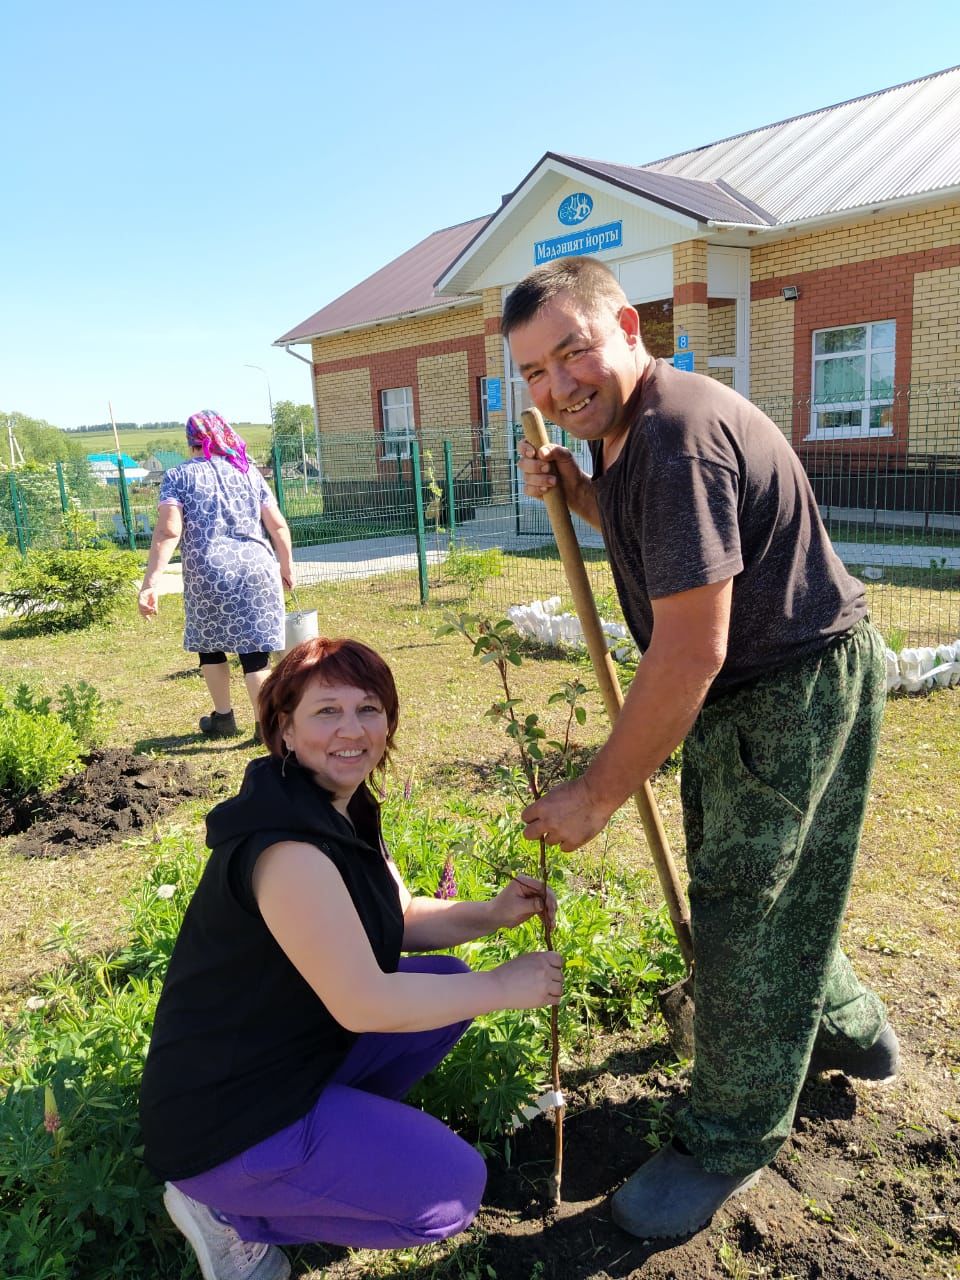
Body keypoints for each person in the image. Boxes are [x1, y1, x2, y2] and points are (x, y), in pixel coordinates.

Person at [505, 256, 896, 1239]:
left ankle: (726, 1137)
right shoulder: (633, 432)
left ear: (625, 324)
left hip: (791, 682)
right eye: (534, 375)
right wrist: (578, 491)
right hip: (747, 687)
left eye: (573, 352)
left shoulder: (679, 437)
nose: (558, 387)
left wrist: (595, 793)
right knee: (767, 889)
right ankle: (853, 1029)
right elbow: (665, 535)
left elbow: (689, 644)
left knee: (747, 908)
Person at [139, 636, 563, 1280]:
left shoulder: (336, 804)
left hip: (274, 1061)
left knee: (443, 982)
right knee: (450, 1193)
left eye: (369, 709)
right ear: (283, 728)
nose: (352, 729)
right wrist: (502, 984)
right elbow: (364, 1000)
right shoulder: (289, 853)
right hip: (221, 1119)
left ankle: (316, 1152)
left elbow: (393, 918)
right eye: (326, 711)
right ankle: (226, 1211)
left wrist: (489, 914)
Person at [137, 410, 295, 741]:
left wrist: (150, 582)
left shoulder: (178, 476)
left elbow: (168, 532)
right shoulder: (249, 471)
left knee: (210, 648)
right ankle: (264, 729)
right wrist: (286, 565)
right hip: (257, 569)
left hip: (209, 572)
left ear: (191, 440)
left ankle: (223, 719)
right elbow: (277, 524)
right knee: (255, 655)